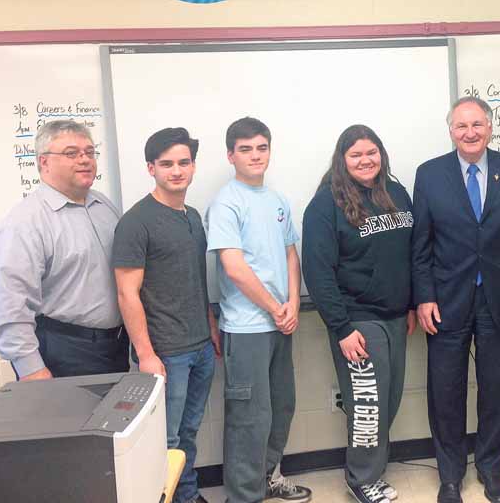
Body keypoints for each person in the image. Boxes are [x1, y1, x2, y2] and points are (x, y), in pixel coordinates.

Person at [412, 96, 500, 503]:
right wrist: (424, 297)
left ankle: (491, 469)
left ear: (490, 127)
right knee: (445, 391)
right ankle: (450, 475)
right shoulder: (429, 174)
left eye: (477, 124)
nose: (470, 133)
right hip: (446, 299)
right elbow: (421, 245)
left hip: (499, 298)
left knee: (496, 388)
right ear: (451, 130)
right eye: (461, 126)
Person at [303, 125, 416, 503]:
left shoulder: (396, 193)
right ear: (342, 159)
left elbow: (409, 253)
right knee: (368, 405)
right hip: (357, 319)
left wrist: (411, 304)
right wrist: (341, 328)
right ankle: (362, 478)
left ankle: (372, 470)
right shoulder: (325, 206)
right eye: (356, 155)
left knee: (389, 400)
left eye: (371, 152)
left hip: (395, 316)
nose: (365, 160)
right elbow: (318, 271)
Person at [206, 117, 311, 503]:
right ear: (231, 155)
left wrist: (293, 302)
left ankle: (268, 478)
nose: (255, 155)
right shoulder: (226, 202)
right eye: (245, 149)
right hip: (247, 327)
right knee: (249, 418)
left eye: (261, 148)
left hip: (280, 323)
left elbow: (290, 254)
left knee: (281, 407)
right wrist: (275, 308)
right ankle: (243, 496)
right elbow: (234, 267)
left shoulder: (276, 200)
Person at [113, 127, 220, 503]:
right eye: (167, 164)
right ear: (151, 168)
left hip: (201, 347)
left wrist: (210, 325)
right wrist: (146, 354)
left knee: (187, 432)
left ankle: (186, 494)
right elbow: (127, 293)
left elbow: (195, 277)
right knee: (165, 438)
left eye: (184, 162)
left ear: (193, 166)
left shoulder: (192, 216)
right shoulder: (136, 222)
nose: (177, 170)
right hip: (165, 353)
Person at [0, 119, 128, 380]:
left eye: (89, 152)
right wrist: (31, 369)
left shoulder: (104, 205)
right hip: (64, 350)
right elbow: (9, 303)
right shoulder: (25, 222)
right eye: (71, 153)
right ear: (44, 162)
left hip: (115, 346)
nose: (85, 159)